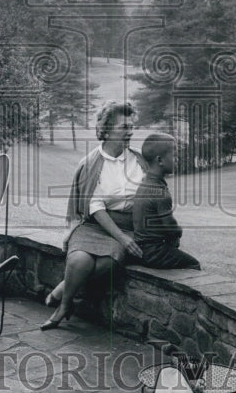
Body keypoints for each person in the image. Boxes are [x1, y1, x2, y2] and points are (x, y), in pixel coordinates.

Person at [41, 101, 147, 330]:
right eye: (124, 127)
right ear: (106, 130)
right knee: (79, 260)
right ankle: (65, 306)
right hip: (94, 224)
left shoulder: (139, 160)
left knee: (108, 263)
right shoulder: (90, 163)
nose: (130, 132)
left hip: (129, 226)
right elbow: (95, 206)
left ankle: (62, 288)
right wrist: (122, 238)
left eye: (132, 127)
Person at [132, 132, 201, 270]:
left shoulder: (144, 184)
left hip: (140, 249)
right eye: (174, 156)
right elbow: (169, 225)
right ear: (160, 161)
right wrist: (178, 232)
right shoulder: (161, 193)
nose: (177, 159)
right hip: (154, 252)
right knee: (193, 264)